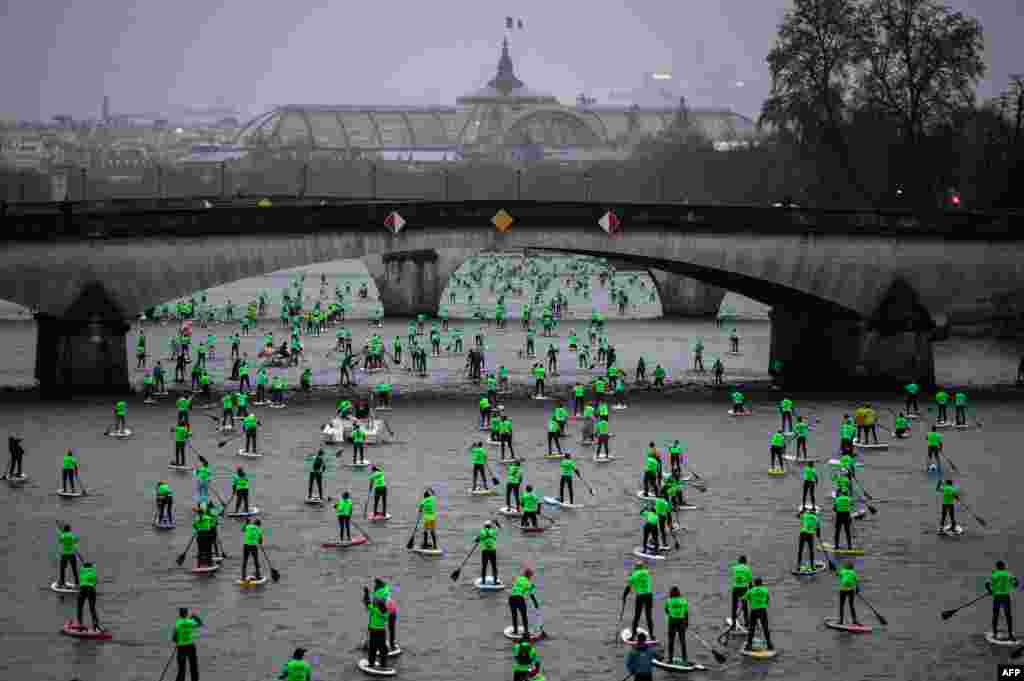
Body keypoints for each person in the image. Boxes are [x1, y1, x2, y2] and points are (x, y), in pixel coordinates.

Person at [986, 560, 1019, 642]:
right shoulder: (1008, 574)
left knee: (995, 615)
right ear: (1004, 566)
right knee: (1008, 616)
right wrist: (1012, 586)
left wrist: (990, 591)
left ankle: (994, 634)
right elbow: (1016, 582)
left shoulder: (994, 574)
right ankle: (1011, 635)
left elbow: (987, 584)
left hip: (997, 597)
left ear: (997, 567)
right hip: (1006, 597)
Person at [624, 560, 655, 641]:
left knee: (637, 616)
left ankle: (633, 636)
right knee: (649, 616)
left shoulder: (635, 574)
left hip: (640, 596)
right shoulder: (647, 573)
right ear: (643, 567)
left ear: (636, 567)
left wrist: (624, 596)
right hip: (649, 595)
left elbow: (628, 586)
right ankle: (652, 635)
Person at [742, 577, 773, 651]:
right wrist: (765, 604)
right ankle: (769, 645)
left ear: (754, 583)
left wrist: (749, 600)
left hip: (754, 611)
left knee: (751, 628)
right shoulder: (765, 589)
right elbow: (768, 598)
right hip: (763, 610)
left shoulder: (751, 590)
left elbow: (743, 599)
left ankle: (749, 645)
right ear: (762, 583)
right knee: (765, 627)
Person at [173, 607, 203, 681]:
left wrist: (177, 640)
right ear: (186, 614)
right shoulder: (190, 622)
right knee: (193, 666)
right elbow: (200, 623)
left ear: (180, 614)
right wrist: (194, 616)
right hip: (190, 647)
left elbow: (174, 638)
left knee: (182, 669)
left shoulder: (178, 623)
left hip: (181, 647)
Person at [509, 567, 540, 636]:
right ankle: (526, 632)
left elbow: (515, 585)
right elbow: (531, 594)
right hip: (519, 598)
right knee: (524, 616)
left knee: (514, 615)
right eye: (531, 576)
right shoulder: (528, 583)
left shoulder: (518, 578)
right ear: (529, 576)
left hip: (511, 598)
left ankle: (515, 631)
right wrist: (535, 603)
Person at [663, 586, 689, 666]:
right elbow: (686, 613)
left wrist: (673, 612)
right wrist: (686, 623)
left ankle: (670, 659)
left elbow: (666, 610)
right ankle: (685, 660)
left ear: (671, 593)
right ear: (679, 592)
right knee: (682, 641)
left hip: (672, 621)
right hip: (682, 621)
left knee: (671, 641)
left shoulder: (668, 601)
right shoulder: (684, 600)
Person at [73, 561, 102, 631]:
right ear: (91, 567)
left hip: (82, 589)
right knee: (92, 608)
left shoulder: (82, 571)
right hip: (91, 589)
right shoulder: (93, 572)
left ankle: (79, 624)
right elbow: (95, 582)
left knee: (79, 607)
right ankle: (96, 625)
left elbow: (81, 579)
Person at [728, 556, 752, 633]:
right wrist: (751, 591)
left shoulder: (734, 568)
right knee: (744, 607)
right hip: (744, 589)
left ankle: (733, 623)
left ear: (739, 561)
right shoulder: (747, 568)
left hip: (736, 588)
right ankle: (747, 623)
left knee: (734, 606)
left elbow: (734, 577)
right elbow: (750, 582)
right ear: (745, 561)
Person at [796, 508, 822, 572]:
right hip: (810, 535)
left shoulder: (805, 515)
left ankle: (798, 566)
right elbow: (818, 531)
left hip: (803, 534)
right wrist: (818, 536)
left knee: (800, 550)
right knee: (811, 551)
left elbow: (797, 516)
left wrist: (802, 511)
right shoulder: (817, 519)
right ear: (815, 513)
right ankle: (812, 566)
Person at [476, 520, 499, 584]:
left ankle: (483, 581)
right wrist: (496, 523)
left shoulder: (482, 531)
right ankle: (495, 580)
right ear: (490, 526)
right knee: (494, 566)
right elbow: (498, 528)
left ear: (484, 525)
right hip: (492, 551)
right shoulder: (494, 531)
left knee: (484, 566)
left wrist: (477, 539)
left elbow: (477, 539)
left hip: (485, 551)